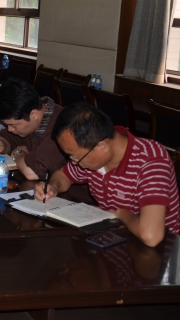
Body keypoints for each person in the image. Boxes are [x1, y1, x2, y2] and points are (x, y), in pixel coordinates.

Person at [35, 103, 180, 247]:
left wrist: (121, 214)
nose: (74, 163)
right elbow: (63, 175)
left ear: (102, 147)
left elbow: (151, 236)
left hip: (162, 251)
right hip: (115, 240)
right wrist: (53, 187)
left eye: (75, 157)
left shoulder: (152, 160)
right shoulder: (94, 153)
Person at [0, 79, 67, 181]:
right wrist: (0, 144)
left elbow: (32, 173)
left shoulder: (61, 126)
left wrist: (19, 154)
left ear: (34, 114)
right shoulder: (28, 118)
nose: (10, 129)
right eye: (7, 125)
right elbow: (6, 139)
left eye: (13, 125)